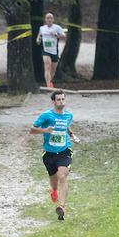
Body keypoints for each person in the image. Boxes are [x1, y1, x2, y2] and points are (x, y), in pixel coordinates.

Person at [29, 90, 80, 221]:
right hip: (49, 153)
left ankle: (62, 207)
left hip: (64, 150)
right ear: (53, 101)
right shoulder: (46, 116)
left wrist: (72, 135)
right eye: (59, 100)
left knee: (62, 175)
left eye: (63, 99)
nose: (61, 102)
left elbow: (66, 126)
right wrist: (45, 130)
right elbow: (32, 130)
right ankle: (54, 190)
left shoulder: (69, 115)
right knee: (54, 182)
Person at [36, 12, 67, 88]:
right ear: (45, 20)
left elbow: (64, 36)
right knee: (47, 67)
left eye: (51, 18)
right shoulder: (42, 28)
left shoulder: (57, 28)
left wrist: (56, 35)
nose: (49, 19)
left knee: (53, 70)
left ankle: (50, 82)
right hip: (46, 51)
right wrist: (38, 40)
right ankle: (48, 86)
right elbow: (39, 36)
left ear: (53, 20)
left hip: (54, 51)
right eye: (47, 18)